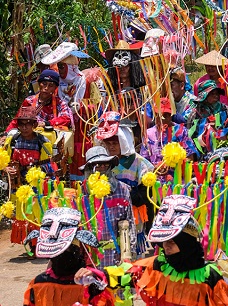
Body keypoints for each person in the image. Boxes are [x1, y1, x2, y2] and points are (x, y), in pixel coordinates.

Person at [81, 145, 136, 306]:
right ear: (88, 169)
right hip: (92, 253)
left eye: (104, 164)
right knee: (93, 293)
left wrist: (128, 252)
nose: (101, 168)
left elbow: (128, 221)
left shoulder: (122, 189)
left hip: (116, 251)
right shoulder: (82, 193)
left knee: (119, 291)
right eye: (96, 166)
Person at [96, 114, 153, 252]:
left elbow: (144, 194)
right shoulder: (102, 163)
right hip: (108, 214)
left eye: (115, 143)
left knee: (131, 248)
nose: (111, 147)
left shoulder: (139, 162)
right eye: (108, 143)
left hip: (133, 213)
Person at [41, 41, 101, 171]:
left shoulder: (87, 81)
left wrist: (81, 107)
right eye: (59, 66)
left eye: (62, 66)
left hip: (83, 131)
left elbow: (97, 106)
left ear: (71, 66)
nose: (60, 70)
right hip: (62, 130)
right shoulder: (57, 84)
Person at [6, 69, 73, 133]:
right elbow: (17, 121)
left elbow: (66, 119)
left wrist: (47, 123)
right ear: (39, 84)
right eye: (44, 83)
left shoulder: (60, 103)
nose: (46, 88)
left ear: (55, 88)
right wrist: (6, 134)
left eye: (51, 85)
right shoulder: (29, 101)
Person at [140, 97, 196, 165]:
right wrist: (155, 168)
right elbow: (144, 161)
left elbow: (190, 158)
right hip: (156, 173)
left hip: (177, 173)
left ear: (171, 115)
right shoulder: (148, 134)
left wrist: (175, 162)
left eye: (167, 115)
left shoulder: (182, 131)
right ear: (155, 114)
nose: (163, 118)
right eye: (160, 115)